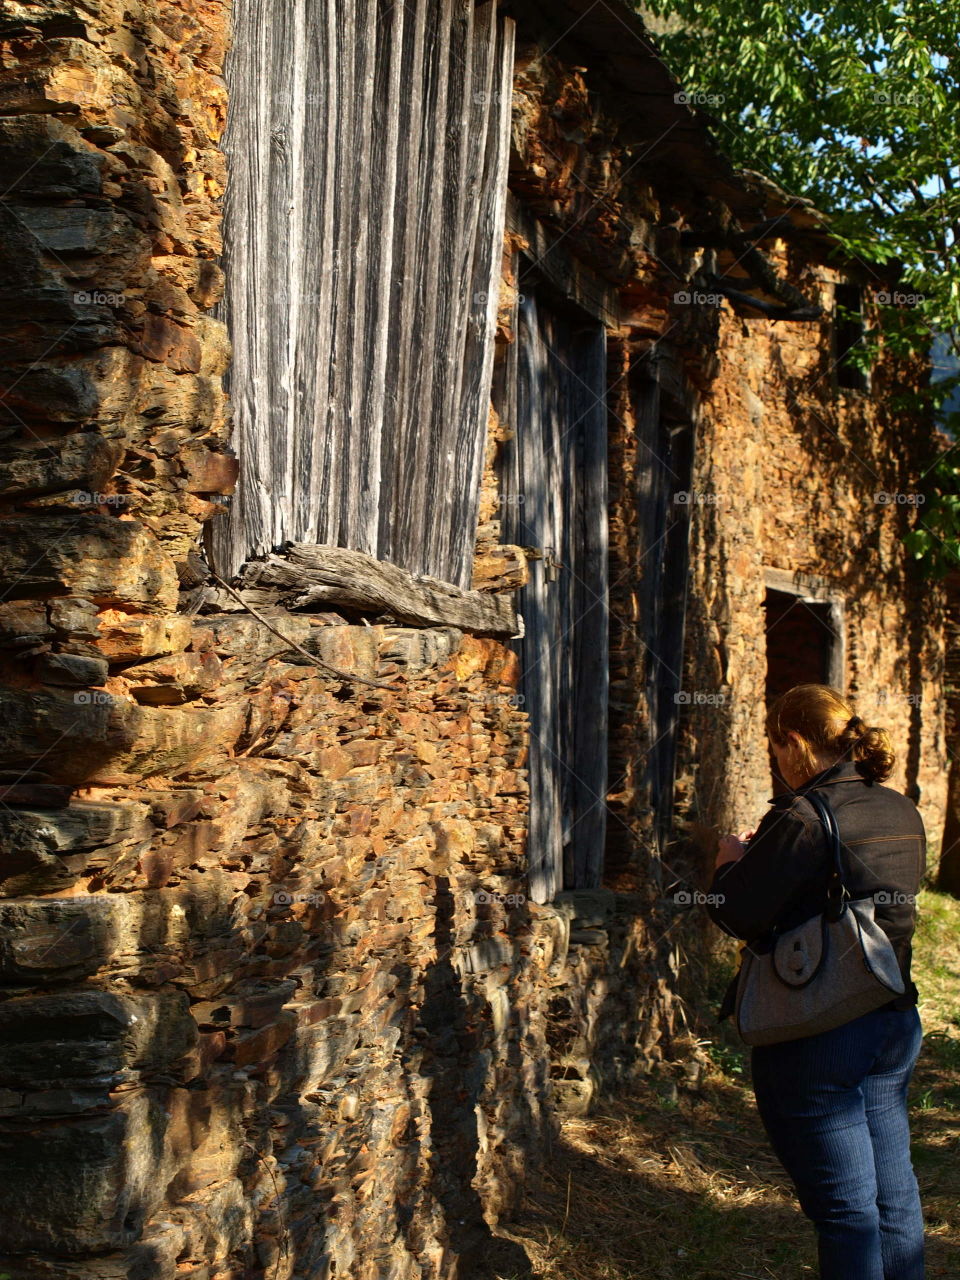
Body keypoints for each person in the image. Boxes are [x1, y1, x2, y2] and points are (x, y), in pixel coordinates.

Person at [707, 683, 926, 1280]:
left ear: (797, 742)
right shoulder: (899, 807)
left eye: (777, 747)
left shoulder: (805, 815)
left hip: (819, 1028)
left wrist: (730, 859)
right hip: (891, 1016)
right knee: (892, 1198)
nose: (776, 762)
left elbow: (736, 911)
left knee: (846, 1213)